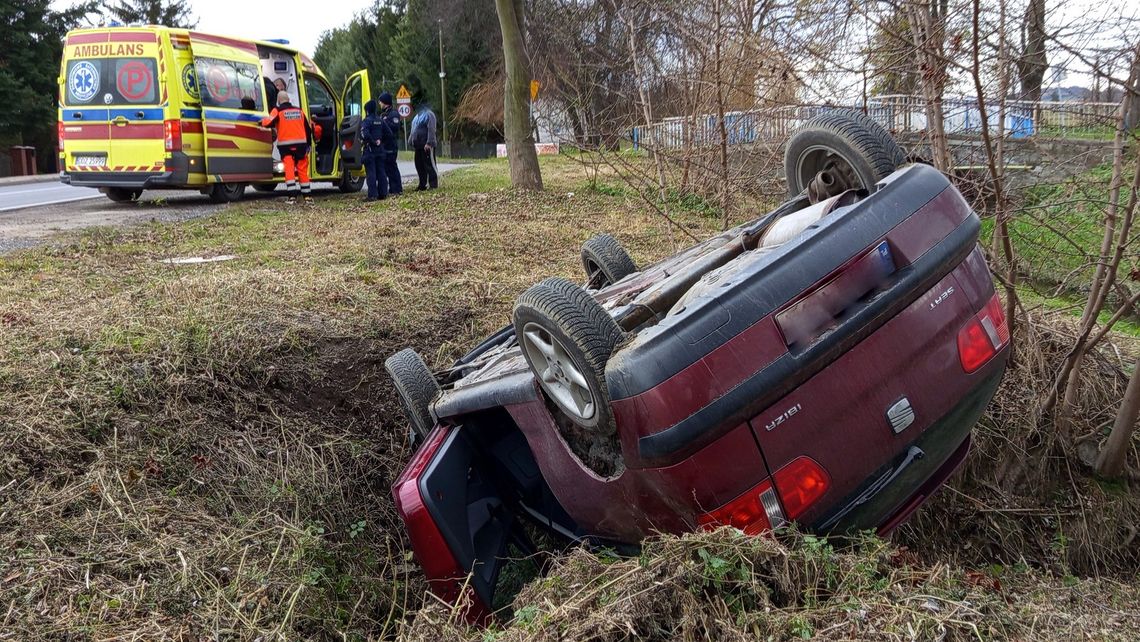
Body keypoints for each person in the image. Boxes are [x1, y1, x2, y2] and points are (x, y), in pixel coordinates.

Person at [260, 92, 316, 202]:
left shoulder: (278, 110)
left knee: (289, 169)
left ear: (278, 100)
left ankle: (292, 197)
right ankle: (307, 196)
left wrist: (260, 122)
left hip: (286, 146)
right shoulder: (299, 111)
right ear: (288, 99)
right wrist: (308, 145)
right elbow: (308, 129)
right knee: (302, 170)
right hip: (301, 145)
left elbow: (267, 123)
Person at [359, 99, 389, 202]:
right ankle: (383, 193)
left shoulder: (366, 121)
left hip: (370, 150)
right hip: (380, 150)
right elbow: (388, 133)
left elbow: (364, 134)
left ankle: (372, 195)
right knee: (381, 172)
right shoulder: (380, 120)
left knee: (371, 173)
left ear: (367, 110)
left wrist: (372, 142)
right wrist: (380, 141)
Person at [377, 92, 403, 196]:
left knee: (392, 167)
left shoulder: (393, 114)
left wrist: (385, 122)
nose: (379, 103)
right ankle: (392, 188)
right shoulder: (383, 114)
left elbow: (395, 127)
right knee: (386, 168)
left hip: (391, 145)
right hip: (384, 145)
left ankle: (397, 188)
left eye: (381, 101)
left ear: (385, 102)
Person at [409, 102, 439, 190]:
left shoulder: (429, 115)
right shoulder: (416, 117)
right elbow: (413, 130)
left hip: (426, 145)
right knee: (419, 165)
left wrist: (429, 142)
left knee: (429, 165)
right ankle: (422, 184)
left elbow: (431, 129)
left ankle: (433, 184)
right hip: (418, 146)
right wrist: (411, 141)